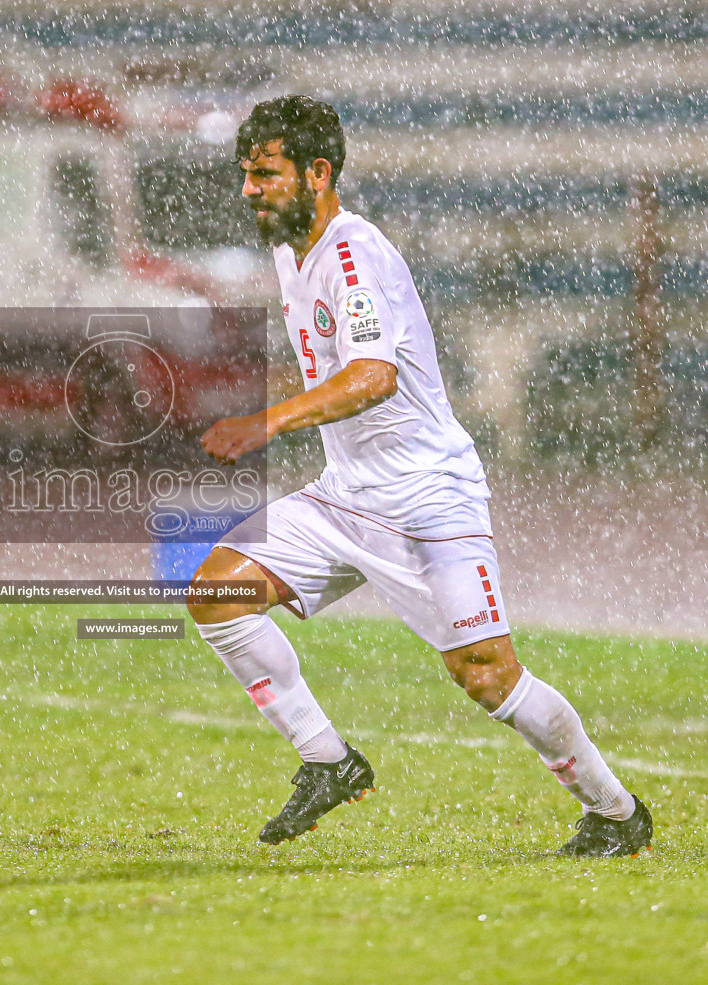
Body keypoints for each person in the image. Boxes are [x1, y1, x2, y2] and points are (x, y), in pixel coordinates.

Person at [188, 96, 653, 856]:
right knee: (217, 593)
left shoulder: (351, 256)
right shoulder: (288, 249)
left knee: (488, 677)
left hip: (428, 496)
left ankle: (616, 812)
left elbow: (373, 378)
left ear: (318, 172)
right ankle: (328, 763)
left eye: (265, 175)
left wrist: (264, 423)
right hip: (347, 493)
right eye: (245, 174)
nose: (249, 190)